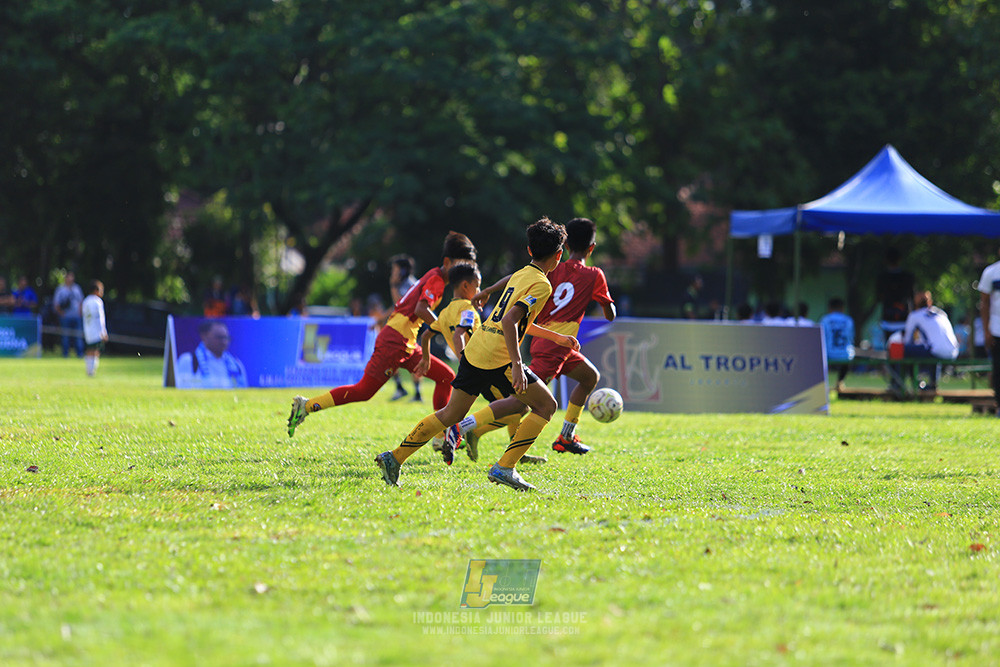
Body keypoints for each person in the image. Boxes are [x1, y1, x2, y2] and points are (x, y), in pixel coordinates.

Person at [374, 218, 577, 492]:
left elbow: (516, 311)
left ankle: (394, 457)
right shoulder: (542, 284)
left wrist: (490, 291)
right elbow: (510, 321)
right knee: (546, 406)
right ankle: (505, 468)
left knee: (452, 413)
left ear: (529, 251)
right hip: (500, 357)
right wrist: (517, 365)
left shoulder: (521, 274)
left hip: (476, 351)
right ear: (559, 254)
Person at [450, 217, 616, 457]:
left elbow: (517, 278)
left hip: (560, 345)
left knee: (589, 377)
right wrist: (608, 300)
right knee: (522, 401)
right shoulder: (594, 274)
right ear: (592, 248)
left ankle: (566, 436)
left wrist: (488, 290)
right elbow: (609, 314)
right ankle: (462, 427)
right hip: (554, 345)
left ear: (566, 247)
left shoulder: (553, 266)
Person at [286, 232, 477, 436]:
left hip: (406, 342)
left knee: (446, 377)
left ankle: (441, 436)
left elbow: (406, 306)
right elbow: (421, 309)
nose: (464, 271)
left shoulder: (434, 276)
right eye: (461, 264)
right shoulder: (437, 279)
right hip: (395, 341)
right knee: (363, 391)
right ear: (447, 262)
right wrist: (445, 328)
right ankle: (306, 406)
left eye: (468, 265)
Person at [414, 261, 482, 458]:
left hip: (469, 368)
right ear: (466, 286)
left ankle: (441, 437)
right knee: (513, 404)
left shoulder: (443, 314)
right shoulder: (468, 309)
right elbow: (458, 335)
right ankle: (465, 430)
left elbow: (426, 336)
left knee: (452, 411)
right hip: (480, 366)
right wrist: (465, 361)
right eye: (477, 285)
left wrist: (426, 358)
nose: (479, 290)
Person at [903, 291, 959, 391]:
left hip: (936, 351)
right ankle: (932, 384)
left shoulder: (914, 316)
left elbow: (907, 340)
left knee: (903, 350)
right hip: (954, 351)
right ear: (930, 302)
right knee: (933, 348)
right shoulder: (941, 313)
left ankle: (906, 384)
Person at [388, 254, 423, 403]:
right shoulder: (403, 284)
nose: (392, 272)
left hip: (413, 328)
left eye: (395, 269)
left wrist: (393, 285)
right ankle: (400, 388)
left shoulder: (409, 284)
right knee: (390, 356)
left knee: (416, 360)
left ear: (402, 270)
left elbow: (399, 304)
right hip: (403, 327)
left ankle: (416, 393)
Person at [176, 320, 249, 388]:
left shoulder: (236, 364)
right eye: (219, 337)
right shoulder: (188, 360)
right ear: (204, 336)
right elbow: (182, 386)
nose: (223, 342)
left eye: (226, 338)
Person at [876, 247, 915, 343]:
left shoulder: (882, 278)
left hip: (888, 318)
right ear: (900, 260)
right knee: (904, 350)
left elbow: (879, 297)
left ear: (886, 260)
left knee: (890, 349)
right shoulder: (908, 277)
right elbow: (912, 296)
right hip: (904, 318)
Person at [977, 249, 1000, 414]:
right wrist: (986, 330)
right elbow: (984, 303)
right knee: (998, 368)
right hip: (997, 328)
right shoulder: (991, 272)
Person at [819, 297, 855, 390]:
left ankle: (822, 384)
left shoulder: (825, 319)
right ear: (842, 308)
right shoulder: (848, 320)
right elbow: (850, 337)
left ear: (829, 308)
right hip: (845, 355)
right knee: (849, 354)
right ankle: (840, 382)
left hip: (827, 354)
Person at [53, 272, 85, 357]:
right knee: (65, 337)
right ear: (65, 278)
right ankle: (65, 355)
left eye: (72, 278)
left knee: (78, 336)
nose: (70, 279)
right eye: (68, 277)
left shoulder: (77, 289)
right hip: (65, 317)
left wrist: (80, 313)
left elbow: (81, 302)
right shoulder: (60, 289)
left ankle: (80, 354)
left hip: (76, 317)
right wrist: (61, 314)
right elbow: (56, 304)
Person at [81, 280, 108, 377]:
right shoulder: (98, 302)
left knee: (89, 350)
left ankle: (89, 369)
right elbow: (100, 318)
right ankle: (92, 370)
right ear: (96, 290)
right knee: (95, 351)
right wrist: (103, 331)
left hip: (87, 329)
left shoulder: (86, 301)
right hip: (96, 330)